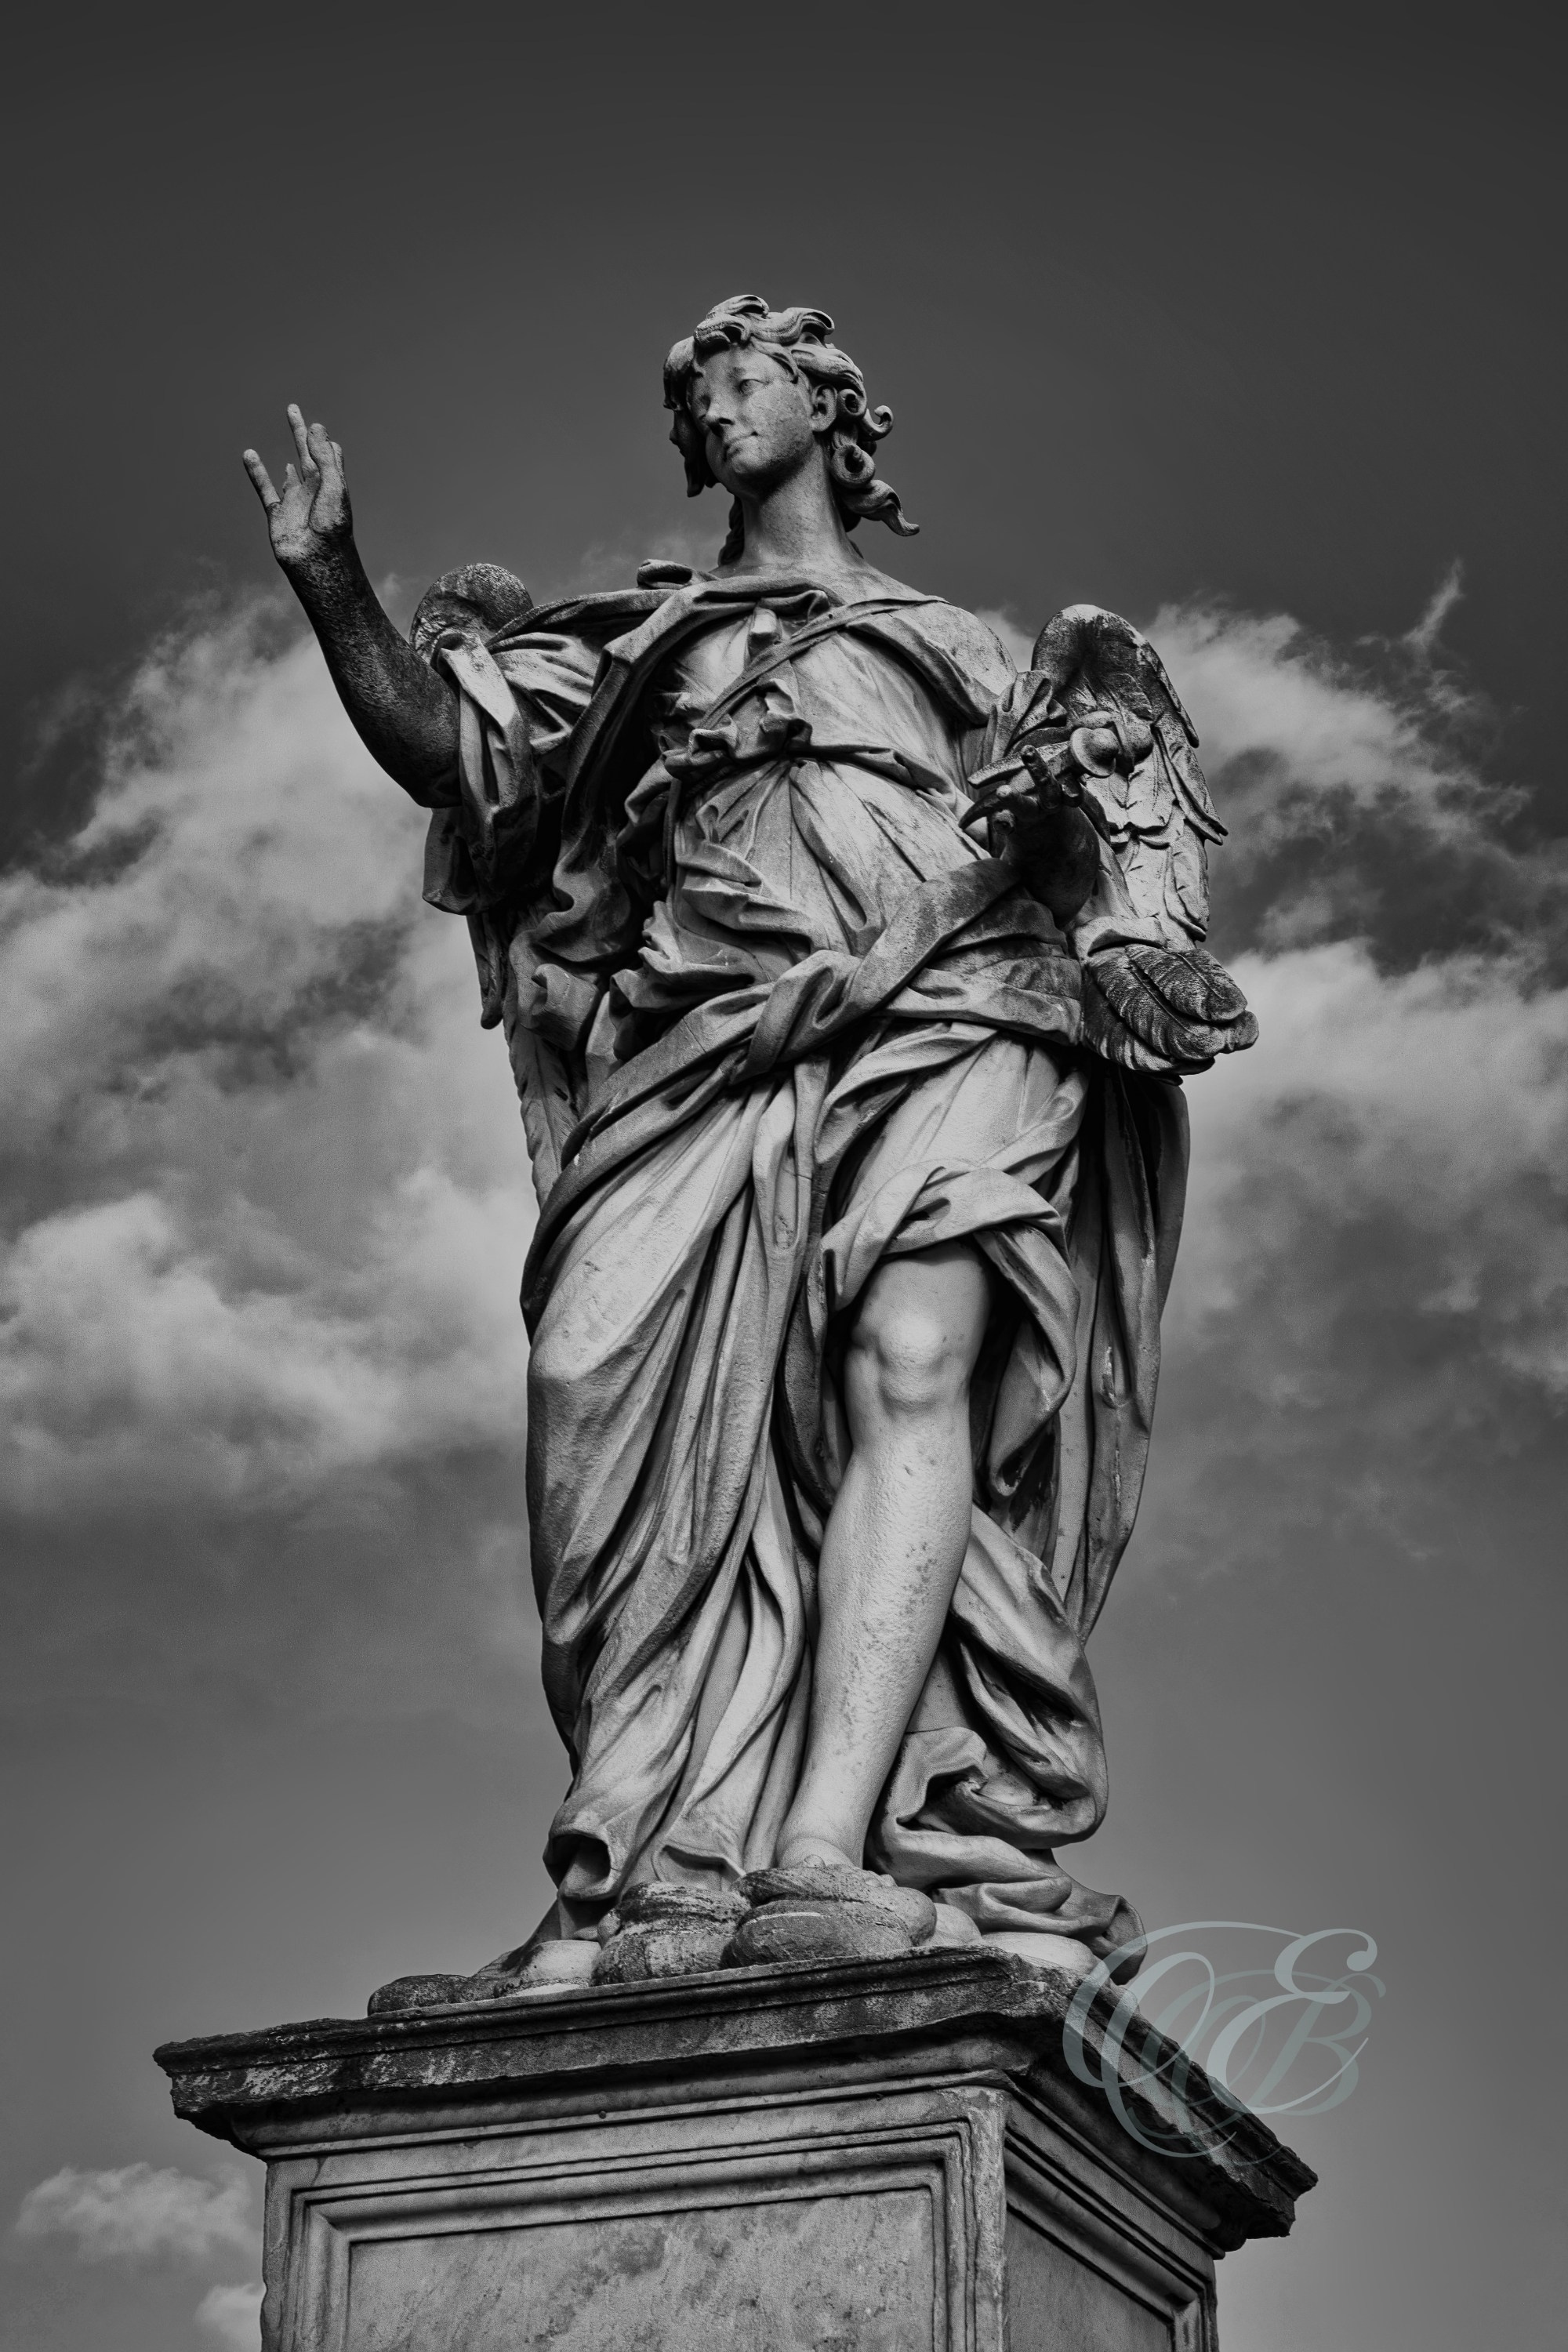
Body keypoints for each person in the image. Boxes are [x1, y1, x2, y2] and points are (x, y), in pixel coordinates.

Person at [244, 296, 1254, 1977]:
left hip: (954, 1012)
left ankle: (822, 1849)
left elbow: (1105, 857)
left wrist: (1139, 949)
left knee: (911, 1372)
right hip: (705, 1052)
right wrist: (333, 582)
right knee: (599, 1397)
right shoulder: (634, 645)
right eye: (695, 397)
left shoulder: (971, 649)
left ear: (835, 418)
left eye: (748, 382)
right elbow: (459, 761)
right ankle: (656, 1855)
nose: (718, 412)